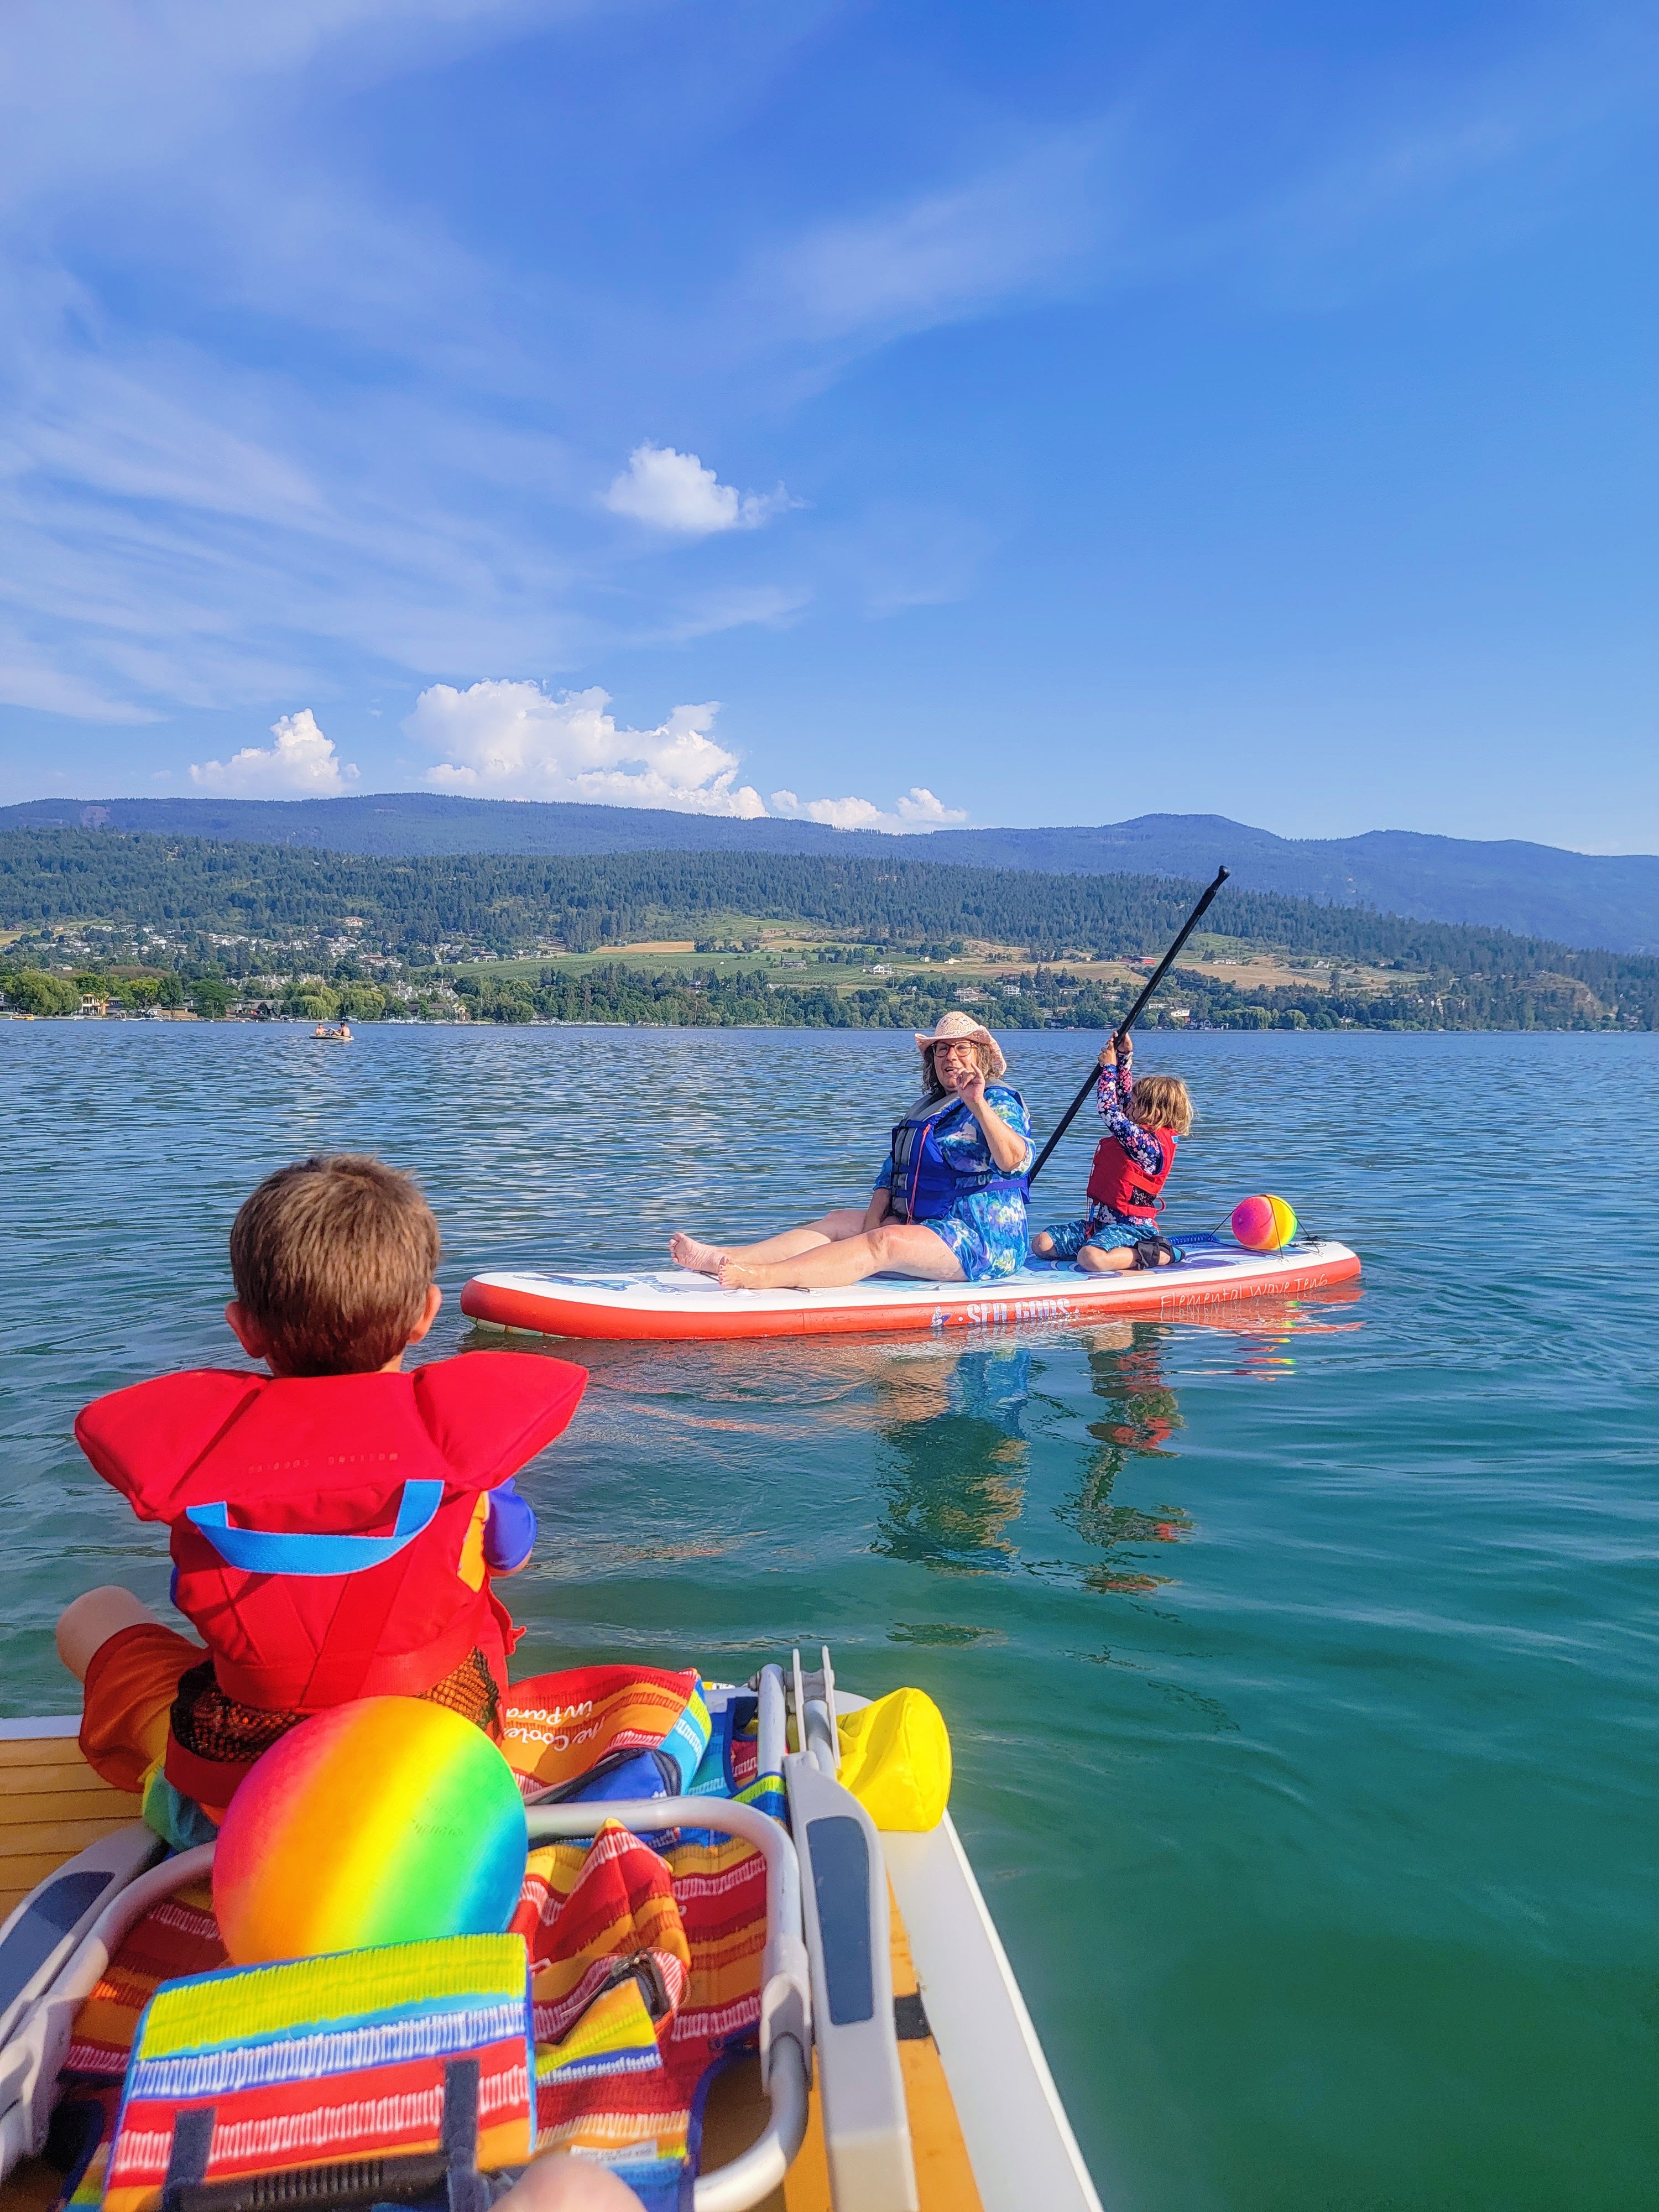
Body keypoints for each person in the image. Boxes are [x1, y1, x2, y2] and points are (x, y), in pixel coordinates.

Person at [56, 1154, 588, 1846]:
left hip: (242, 1811)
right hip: (440, 1777)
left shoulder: (202, 1464)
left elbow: (196, 1597)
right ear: (426, 1314)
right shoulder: (463, 1458)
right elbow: (511, 1555)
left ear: (243, 1328)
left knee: (94, 1613)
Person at [668, 1011, 1034, 1292]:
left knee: (886, 1242)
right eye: (941, 1049)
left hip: (982, 1239)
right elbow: (890, 1176)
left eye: (961, 1048)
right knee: (843, 1221)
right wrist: (869, 1226)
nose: (949, 1057)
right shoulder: (929, 1109)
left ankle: (762, 1277)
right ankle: (725, 1258)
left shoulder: (998, 1101)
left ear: (980, 1055)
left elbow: (1013, 1161)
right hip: (926, 1225)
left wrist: (978, 1104)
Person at [1031, 1029, 1193, 1273]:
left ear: (1154, 1114)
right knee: (1042, 1245)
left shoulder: (1149, 1147)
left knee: (1090, 1258)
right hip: (1101, 1225)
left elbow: (1108, 1109)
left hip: (1132, 1229)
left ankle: (1159, 1252)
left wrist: (1108, 1069)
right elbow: (1122, 1096)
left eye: (1134, 1104)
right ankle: (1101, 1246)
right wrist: (1124, 1057)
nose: (1127, 1106)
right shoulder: (1138, 1132)